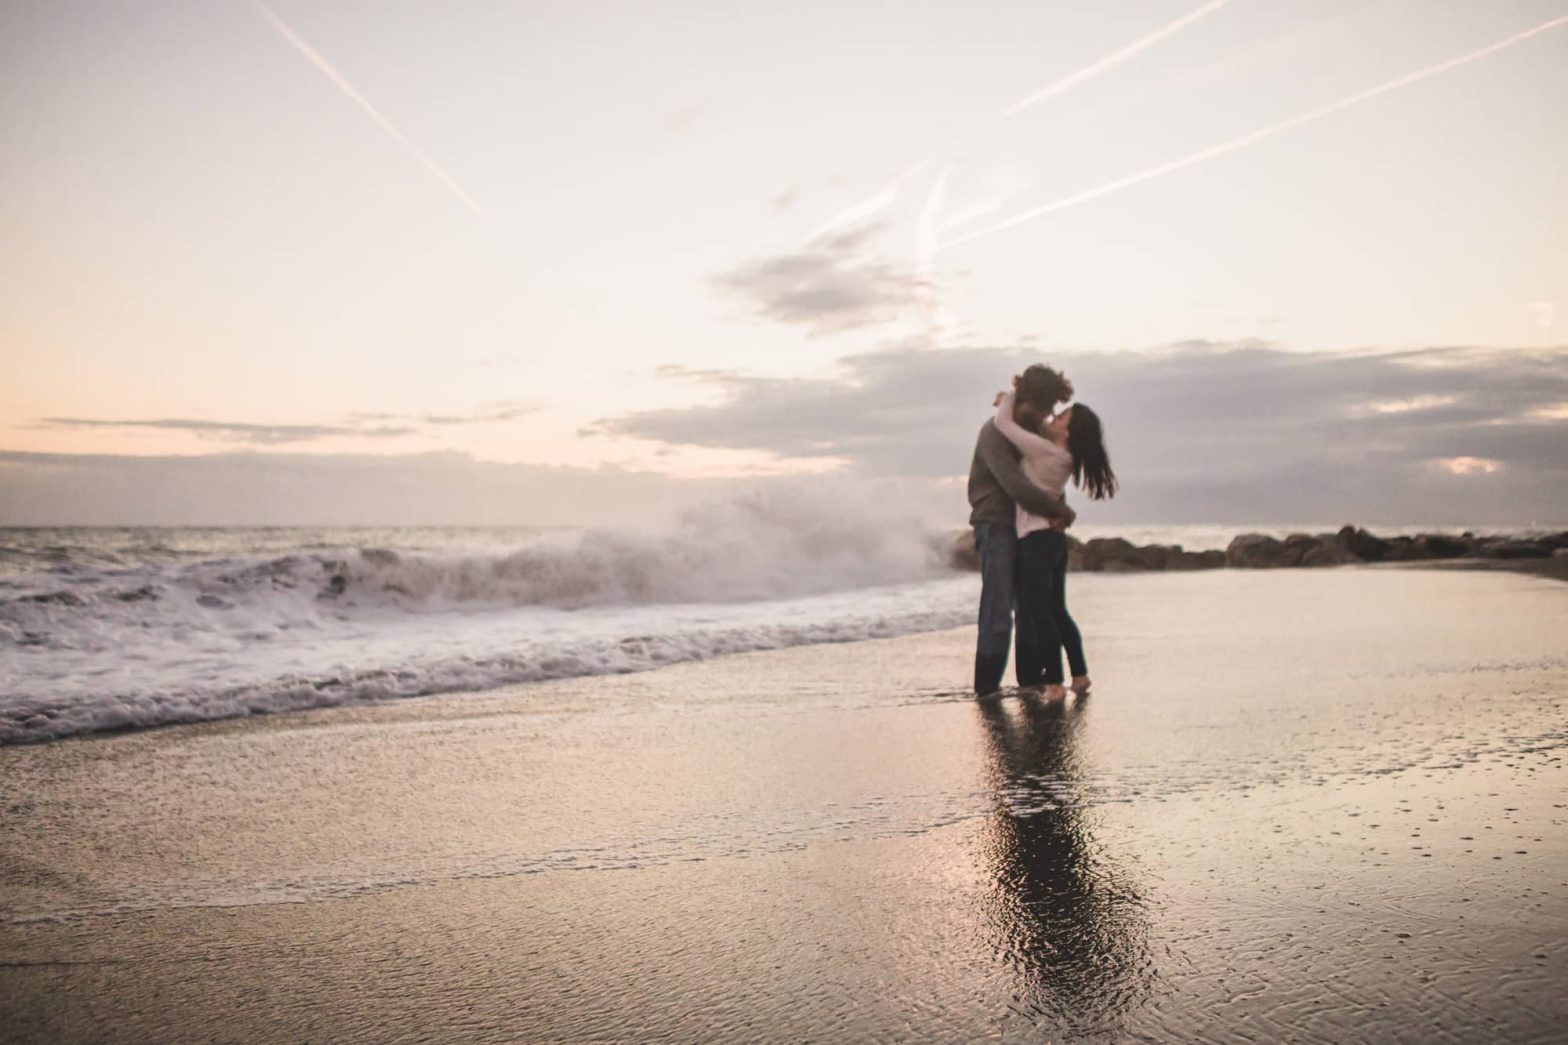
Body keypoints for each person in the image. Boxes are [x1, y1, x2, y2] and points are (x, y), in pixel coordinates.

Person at [993, 388, 1117, 700]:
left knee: (1040, 613)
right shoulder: (1064, 457)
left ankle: (1055, 683)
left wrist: (1008, 397)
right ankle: (1080, 674)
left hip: (1036, 539)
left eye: (1062, 417)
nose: (1054, 417)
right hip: (1053, 541)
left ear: (1068, 430)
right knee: (1057, 610)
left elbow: (1004, 426)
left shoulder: (1046, 452)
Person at [966, 365, 1076, 697]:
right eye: (1043, 407)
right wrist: (1060, 511)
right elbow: (1014, 484)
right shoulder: (995, 433)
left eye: (1051, 409)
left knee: (1031, 604)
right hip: (996, 521)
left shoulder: (1035, 430)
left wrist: (1056, 510)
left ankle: (1031, 682)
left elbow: (1047, 478)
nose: (1047, 415)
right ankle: (986, 689)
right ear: (1026, 400)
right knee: (998, 606)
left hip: (1029, 524)